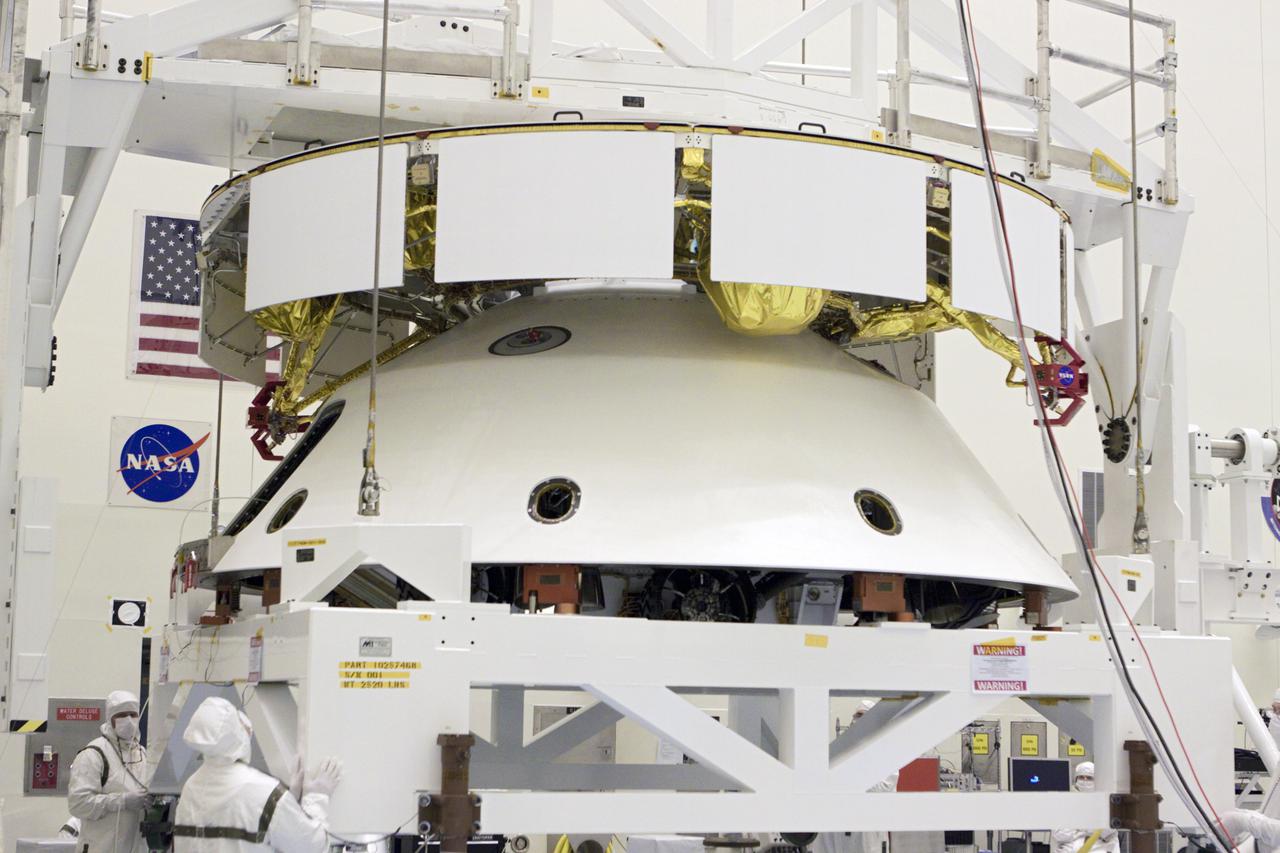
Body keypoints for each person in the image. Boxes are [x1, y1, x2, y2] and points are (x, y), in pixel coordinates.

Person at [173, 696, 343, 853]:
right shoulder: (264, 791)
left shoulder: (191, 787)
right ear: (235, 734)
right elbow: (312, 846)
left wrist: (289, 799)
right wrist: (317, 797)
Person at [67, 690, 150, 853]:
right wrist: (123, 801)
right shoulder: (93, 754)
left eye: (133, 714)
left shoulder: (142, 754)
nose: (128, 720)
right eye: (122, 715)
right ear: (110, 718)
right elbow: (78, 804)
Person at [1051, 762, 1119, 853]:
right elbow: (1059, 834)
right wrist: (1090, 825)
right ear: (1076, 780)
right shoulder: (1065, 802)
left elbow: (1107, 831)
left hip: (1099, 849)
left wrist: (1076, 827)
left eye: (1089, 778)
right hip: (1070, 849)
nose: (1085, 780)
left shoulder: (1106, 802)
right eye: (1081, 777)